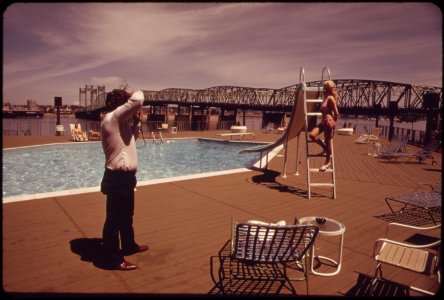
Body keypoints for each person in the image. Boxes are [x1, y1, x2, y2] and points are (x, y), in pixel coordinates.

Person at [100, 89, 148, 271]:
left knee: (127, 216)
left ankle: (128, 245)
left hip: (126, 178)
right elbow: (139, 97)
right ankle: (113, 259)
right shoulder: (112, 118)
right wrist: (131, 94)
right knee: (114, 220)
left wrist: (136, 122)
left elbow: (130, 140)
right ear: (122, 105)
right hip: (117, 178)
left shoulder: (119, 123)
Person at [309, 80, 340, 171]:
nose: (324, 90)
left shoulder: (331, 98)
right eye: (324, 89)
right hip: (323, 123)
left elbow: (336, 113)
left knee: (328, 141)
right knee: (312, 135)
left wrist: (333, 124)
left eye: (326, 89)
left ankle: (327, 162)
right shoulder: (325, 97)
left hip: (328, 122)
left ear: (330, 90)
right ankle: (326, 149)